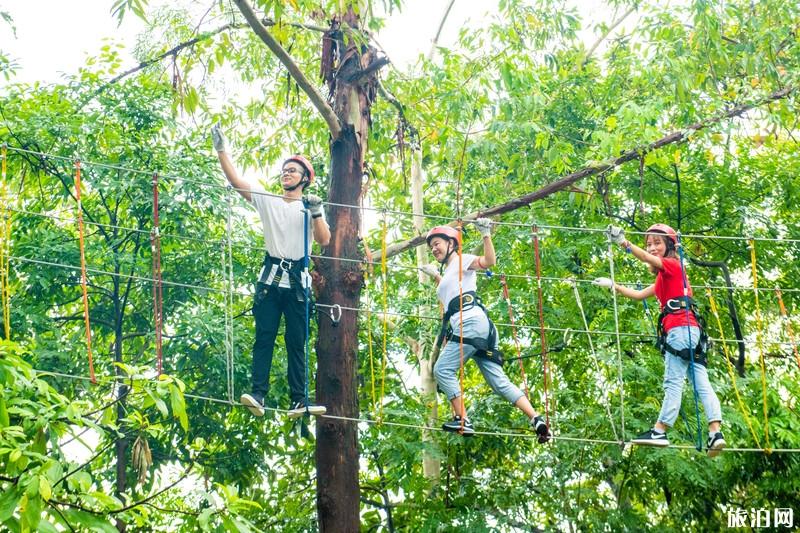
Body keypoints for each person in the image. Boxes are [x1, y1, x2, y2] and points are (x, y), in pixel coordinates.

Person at [211, 125, 331, 418]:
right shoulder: (269, 200)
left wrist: (316, 212)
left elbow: (324, 239)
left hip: (298, 283)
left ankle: (299, 399)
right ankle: (257, 394)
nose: (286, 174)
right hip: (270, 280)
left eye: (292, 170)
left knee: (296, 341)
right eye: (284, 170)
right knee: (264, 335)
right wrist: (221, 151)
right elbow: (237, 181)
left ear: (305, 179)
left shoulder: (310, 206)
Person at [594, 223, 726, 457]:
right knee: (701, 383)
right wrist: (613, 286)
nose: (652, 248)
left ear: (669, 247)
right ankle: (715, 432)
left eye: (657, 243)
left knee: (673, 382)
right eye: (649, 244)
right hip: (691, 333)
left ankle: (660, 430)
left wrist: (624, 243)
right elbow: (638, 295)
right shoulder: (665, 278)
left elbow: (645, 257)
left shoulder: (674, 265)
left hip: (679, 329)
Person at [420, 219, 550, 441]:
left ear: (452, 244)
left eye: (438, 243)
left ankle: (462, 419)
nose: (434, 249)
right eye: (431, 246)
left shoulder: (463, 260)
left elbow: (489, 261)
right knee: (499, 382)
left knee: (441, 370)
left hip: (470, 323)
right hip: (481, 328)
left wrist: (485, 234)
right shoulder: (451, 271)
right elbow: (450, 289)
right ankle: (536, 418)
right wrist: (434, 275)